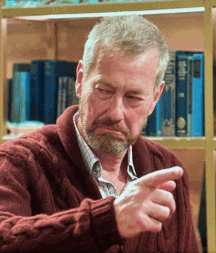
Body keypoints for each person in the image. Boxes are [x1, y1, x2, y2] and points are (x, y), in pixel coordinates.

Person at [0, 15, 200, 252]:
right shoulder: (17, 161)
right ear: (81, 79)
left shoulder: (166, 168)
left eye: (133, 97)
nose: (116, 113)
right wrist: (108, 221)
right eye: (104, 90)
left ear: (155, 98)